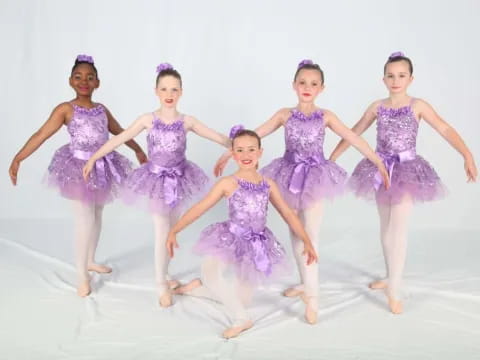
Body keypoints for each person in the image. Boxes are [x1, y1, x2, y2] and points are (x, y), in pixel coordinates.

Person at [214, 60, 389, 323]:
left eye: (313, 84)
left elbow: (354, 138)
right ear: (294, 85)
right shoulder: (285, 114)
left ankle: (313, 298)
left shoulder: (326, 115)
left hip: (316, 177)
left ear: (322, 88)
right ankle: (305, 283)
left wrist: (377, 161)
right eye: (303, 83)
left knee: (311, 236)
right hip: (287, 174)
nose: (307, 88)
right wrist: (229, 153)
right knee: (296, 234)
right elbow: (254, 136)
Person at [329, 51, 477, 314]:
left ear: (410, 78)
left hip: (407, 171)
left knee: (398, 227)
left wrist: (466, 154)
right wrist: (332, 157)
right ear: (383, 79)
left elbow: (444, 128)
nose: (396, 80)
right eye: (391, 76)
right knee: (385, 226)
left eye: (401, 75)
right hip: (380, 169)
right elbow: (353, 132)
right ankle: (390, 276)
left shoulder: (418, 105)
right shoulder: (377, 106)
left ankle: (395, 289)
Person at [83, 63, 231, 306]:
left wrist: (238, 146)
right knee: (162, 230)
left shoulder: (187, 121)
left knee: (173, 229)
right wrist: (94, 157)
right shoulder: (147, 120)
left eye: (174, 89)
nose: (169, 95)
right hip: (157, 181)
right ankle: (161, 284)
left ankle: (165, 273)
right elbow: (120, 138)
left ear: (181, 92)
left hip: (180, 178)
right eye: (164, 89)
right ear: (156, 91)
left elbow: (219, 137)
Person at [9, 55, 146, 297]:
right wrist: (19, 157)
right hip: (78, 168)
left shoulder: (102, 110)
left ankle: (91, 260)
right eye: (78, 76)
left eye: (89, 77)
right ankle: (82, 275)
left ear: (97, 83)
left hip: (102, 166)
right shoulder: (65, 109)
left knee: (97, 213)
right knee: (84, 220)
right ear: (71, 81)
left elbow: (120, 133)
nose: (84, 81)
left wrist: (137, 148)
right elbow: (41, 134)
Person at [167, 128, 317, 338]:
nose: (246, 155)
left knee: (242, 299)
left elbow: (288, 214)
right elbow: (200, 207)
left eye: (251, 150)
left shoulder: (268, 184)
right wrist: (175, 229)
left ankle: (193, 289)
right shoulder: (228, 183)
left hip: (256, 244)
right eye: (240, 150)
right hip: (230, 237)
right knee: (211, 273)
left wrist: (307, 241)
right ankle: (242, 319)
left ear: (260, 152)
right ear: (233, 154)